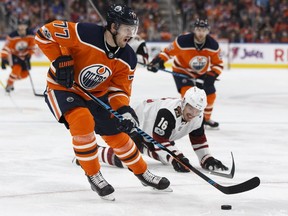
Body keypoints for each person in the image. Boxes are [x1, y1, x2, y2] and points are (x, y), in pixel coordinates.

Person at [34, 4, 170, 201]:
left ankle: (142, 172)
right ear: (113, 27)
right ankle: (93, 174)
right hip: (62, 88)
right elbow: (44, 33)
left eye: (134, 29)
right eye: (127, 29)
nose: (131, 34)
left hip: (96, 95)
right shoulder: (83, 33)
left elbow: (118, 90)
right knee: (82, 120)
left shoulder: (128, 57)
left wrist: (125, 111)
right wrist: (59, 59)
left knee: (117, 133)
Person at [94, 87, 228, 172]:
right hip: (134, 124)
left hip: (151, 132)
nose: (193, 114)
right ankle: (95, 152)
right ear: (183, 103)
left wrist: (206, 158)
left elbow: (198, 140)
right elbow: (160, 140)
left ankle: (143, 146)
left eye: (198, 110)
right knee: (127, 161)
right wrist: (177, 158)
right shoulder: (168, 112)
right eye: (191, 108)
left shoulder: (198, 117)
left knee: (165, 158)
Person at [147, 17, 224, 129]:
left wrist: (212, 75)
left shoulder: (213, 45)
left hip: (201, 74)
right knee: (188, 95)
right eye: (198, 30)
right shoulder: (183, 40)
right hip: (182, 70)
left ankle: (206, 119)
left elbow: (218, 64)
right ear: (194, 30)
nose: (201, 33)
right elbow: (168, 52)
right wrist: (158, 61)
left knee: (211, 94)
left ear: (208, 31)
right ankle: (187, 119)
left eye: (203, 30)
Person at [1, 19, 35, 92]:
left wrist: (29, 55)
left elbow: (32, 47)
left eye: (24, 25)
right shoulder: (12, 36)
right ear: (18, 26)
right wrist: (3, 58)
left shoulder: (31, 34)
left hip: (24, 57)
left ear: (26, 26)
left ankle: (11, 79)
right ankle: (9, 84)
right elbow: (6, 47)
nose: (22, 27)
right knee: (17, 68)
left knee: (25, 74)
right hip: (13, 55)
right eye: (20, 25)